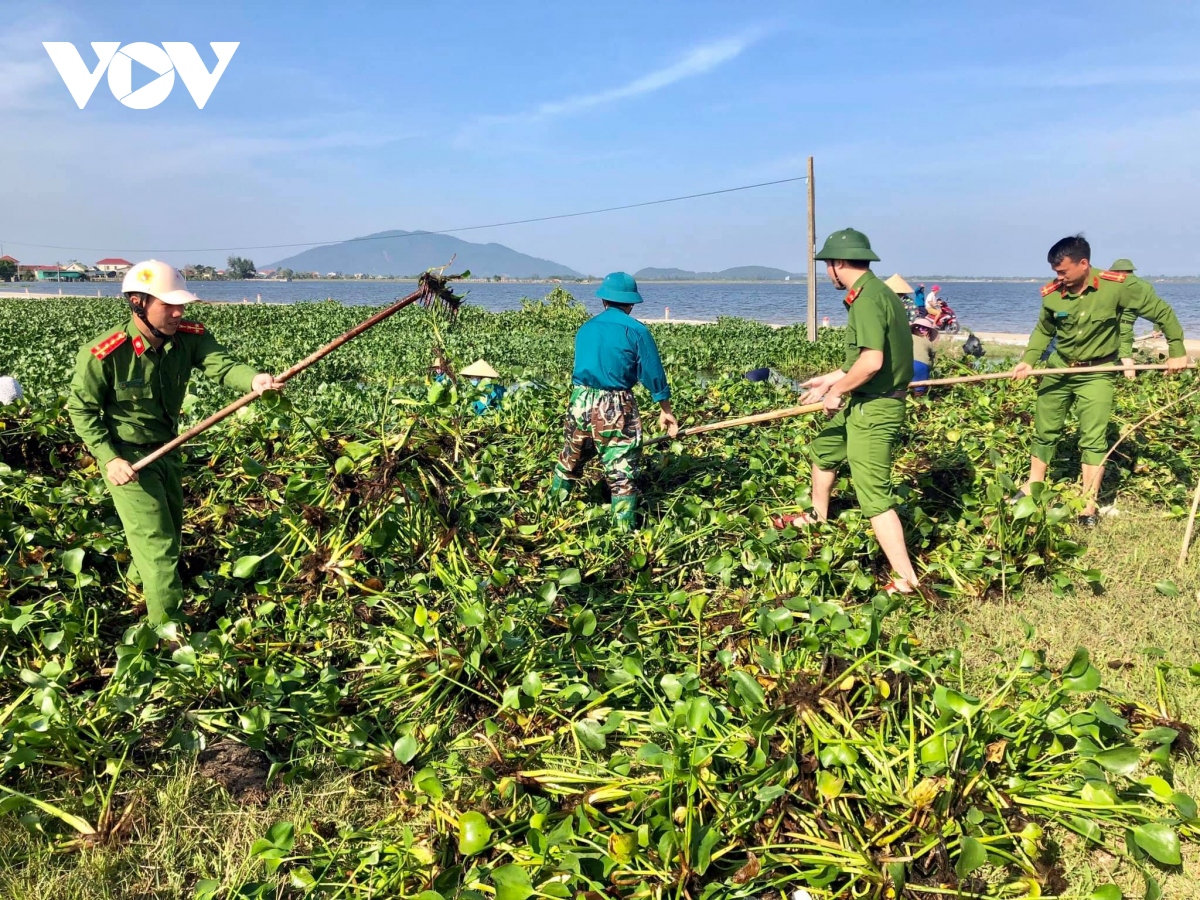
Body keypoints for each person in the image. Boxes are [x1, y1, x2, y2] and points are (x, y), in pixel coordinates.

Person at [67, 260, 284, 627]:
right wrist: (108, 459)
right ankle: (166, 630)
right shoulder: (105, 353)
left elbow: (223, 366)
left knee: (169, 528)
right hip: (129, 460)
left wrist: (254, 381)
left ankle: (139, 587)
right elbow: (81, 409)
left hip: (168, 450)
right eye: (168, 304)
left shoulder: (189, 337)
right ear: (138, 302)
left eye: (180, 304)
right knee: (159, 545)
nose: (178, 312)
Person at [781, 228, 924, 596]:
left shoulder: (866, 300)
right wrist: (827, 381)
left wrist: (836, 394)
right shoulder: (877, 293)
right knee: (824, 451)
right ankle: (817, 517)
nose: (827, 271)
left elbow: (873, 362)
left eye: (827, 265)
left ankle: (907, 579)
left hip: (876, 409)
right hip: (866, 400)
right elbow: (862, 360)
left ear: (838, 264)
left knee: (873, 495)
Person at [1011, 236, 1187, 525]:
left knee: (1092, 439)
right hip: (1058, 369)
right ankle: (1033, 485)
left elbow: (1162, 312)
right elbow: (1044, 330)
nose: (1059, 277)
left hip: (1097, 371)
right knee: (1045, 430)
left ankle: (1087, 506)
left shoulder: (1119, 287)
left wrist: (1177, 350)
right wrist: (1029, 359)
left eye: (1064, 271)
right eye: (1056, 272)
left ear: (1084, 264)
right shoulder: (1053, 293)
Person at [551, 271, 679, 530]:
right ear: (631, 304)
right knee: (621, 470)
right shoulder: (637, 330)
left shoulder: (586, 328)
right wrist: (665, 410)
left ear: (603, 301)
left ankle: (550, 511)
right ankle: (621, 534)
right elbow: (653, 373)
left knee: (571, 457)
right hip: (614, 404)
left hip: (580, 399)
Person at [1111, 259, 1160, 380]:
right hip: (1127, 327)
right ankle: (1129, 386)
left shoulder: (1117, 284)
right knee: (1125, 358)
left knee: (1117, 359)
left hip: (1112, 326)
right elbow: (1156, 308)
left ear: (1120, 271)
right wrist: (1157, 328)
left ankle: (1125, 386)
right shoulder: (1146, 286)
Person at [910, 317, 938, 393]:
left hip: (905, 364)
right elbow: (933, 357)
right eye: (918, 327)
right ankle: (919, 397)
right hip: (920, 365)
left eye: (924, 328)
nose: (921, 329)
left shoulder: (907, 337)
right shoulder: (927, 342)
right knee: (919, 388)